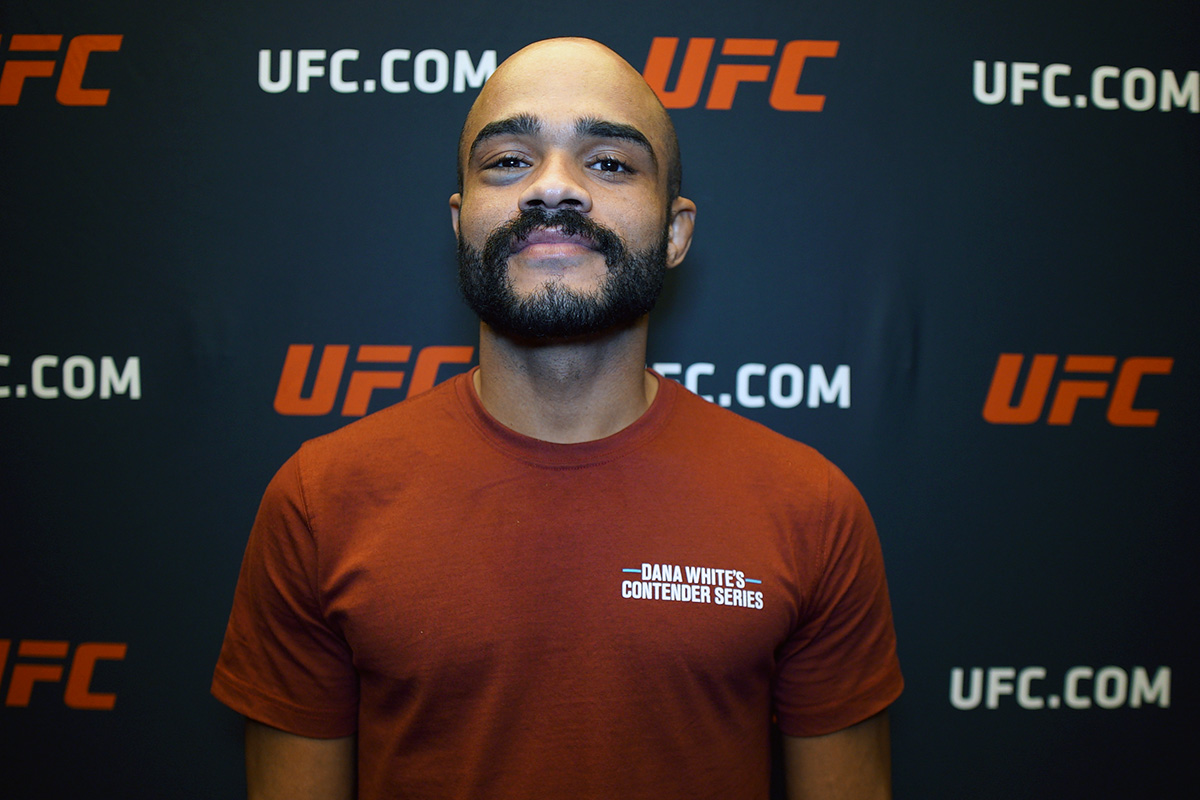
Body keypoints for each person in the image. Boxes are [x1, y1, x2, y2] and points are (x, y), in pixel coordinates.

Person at [213, 37, 902, 800]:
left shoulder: (810, 509)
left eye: (609, 163)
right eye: (509, 160)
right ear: (459, 221)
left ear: (676, 233)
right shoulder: (321, 501)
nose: (552, 188)